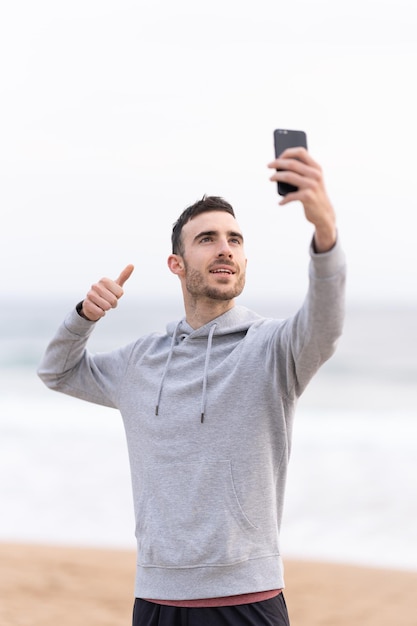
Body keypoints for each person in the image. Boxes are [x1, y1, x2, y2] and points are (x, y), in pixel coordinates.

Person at [38, 147, 346, 626]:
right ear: (176, 264)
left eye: (235, 239)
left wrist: (324, 232)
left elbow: (324, 325)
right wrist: (84, 317)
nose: (225, 248)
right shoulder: (142, 359)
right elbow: (56, 371)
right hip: (156, 598)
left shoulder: (272, 348)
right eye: (207, 238)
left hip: (249, 598)